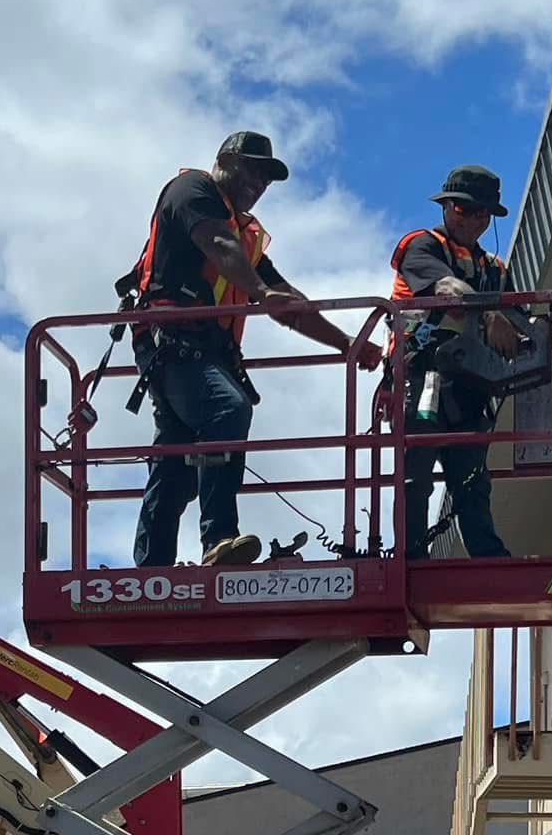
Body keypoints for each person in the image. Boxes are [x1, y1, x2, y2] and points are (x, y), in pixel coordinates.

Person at [125, 132, 382, 569]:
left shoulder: (241, 234)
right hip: (172, 341)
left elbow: (289, 304)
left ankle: (152, 572)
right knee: (226, 408)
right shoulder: (194, 192)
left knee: (175, 465)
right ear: (225, 160)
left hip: (202, 349)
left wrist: (347, 345)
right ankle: (219, 539)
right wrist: (261, 292)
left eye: (266, 177)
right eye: (252, 169)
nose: (258, 183)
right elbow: (218, 247)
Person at [388, 164, 522, 560]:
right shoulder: (423, 247)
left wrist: (534, 326)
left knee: (473, 477)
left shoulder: (494, 270)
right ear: (446, 208)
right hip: (422, 374)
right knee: (417, 474)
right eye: (461, 209)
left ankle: (487, 554)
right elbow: (446, 287)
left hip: (471, 382)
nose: (471, 219)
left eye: (480, 213)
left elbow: (518, 319)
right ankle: (412, 555)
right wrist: (488, 313)